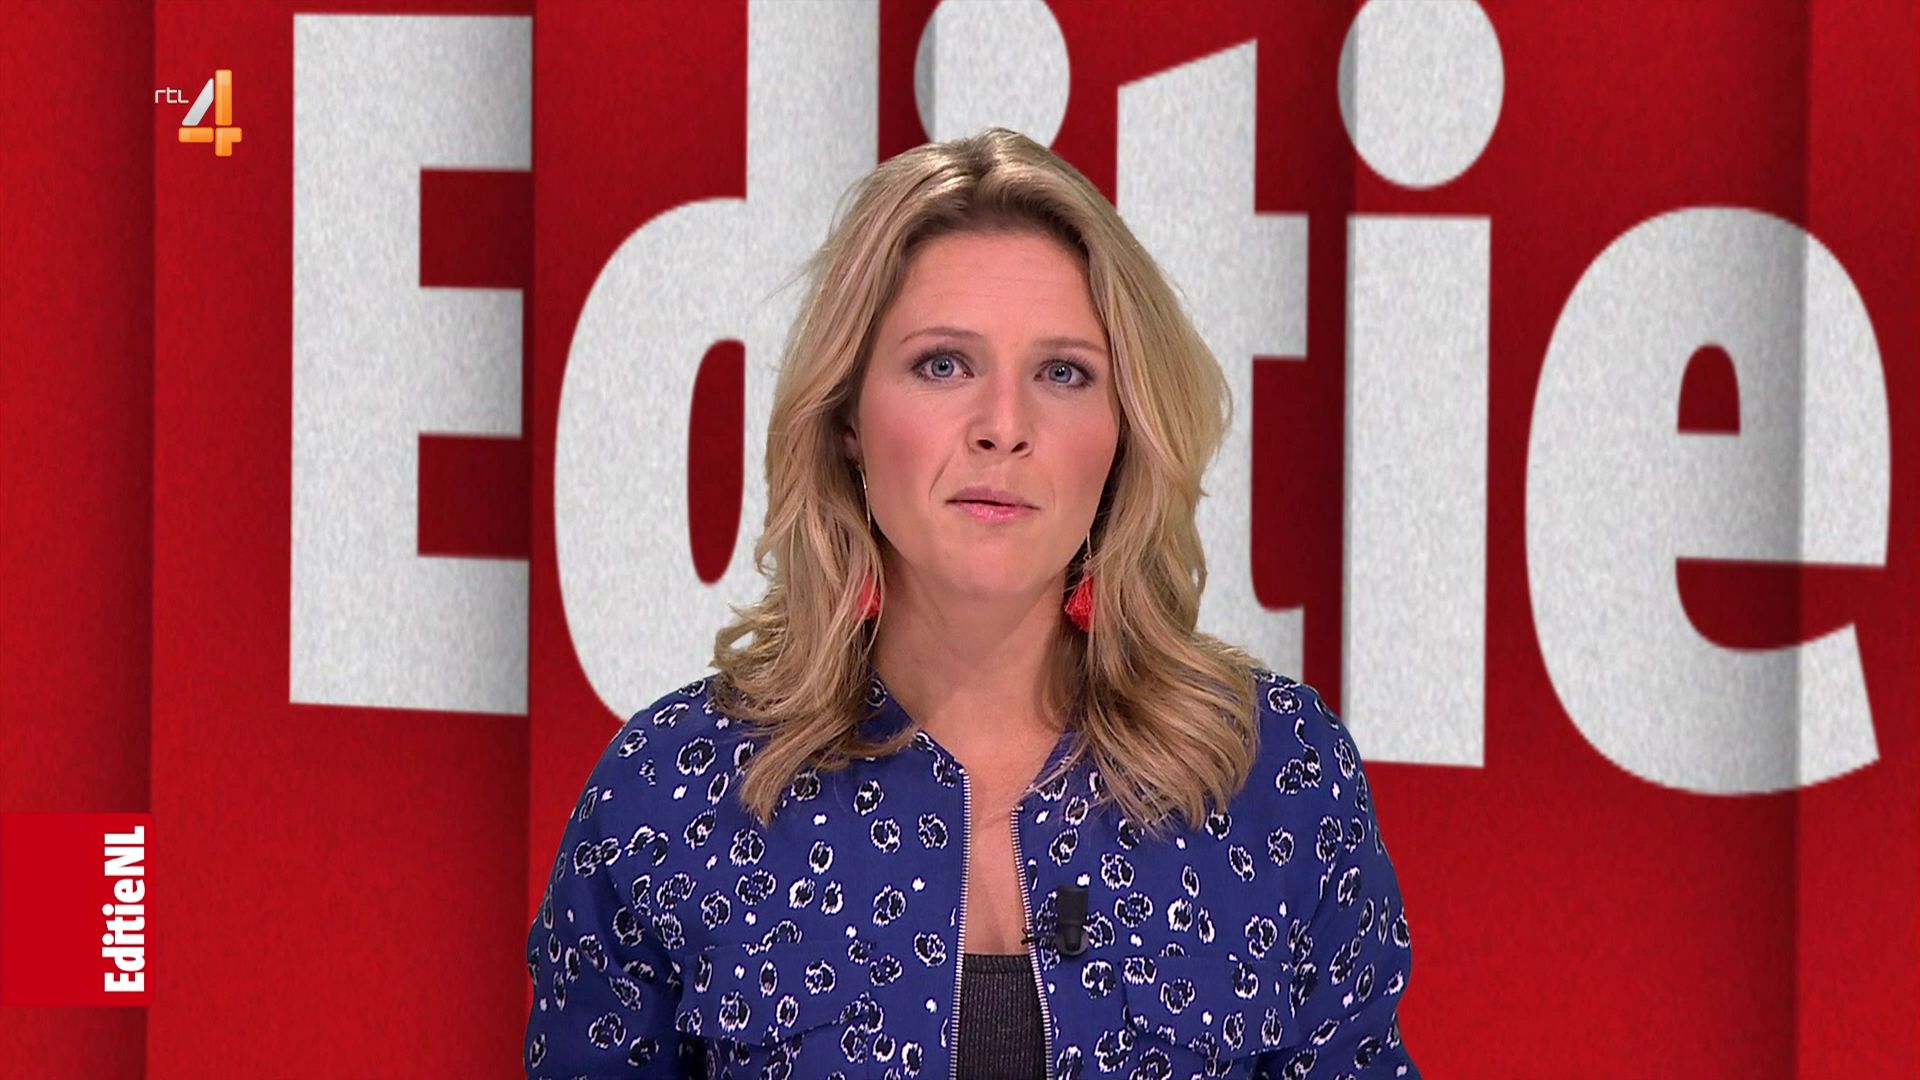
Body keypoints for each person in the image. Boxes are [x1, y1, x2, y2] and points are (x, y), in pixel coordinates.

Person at [525, 127, 1418, 1080]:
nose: (1003, 427)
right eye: (944, 364)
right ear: (847, 418)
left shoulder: (1275, 773)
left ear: (1125, 430)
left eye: (1063, 373)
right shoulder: (672, 790)